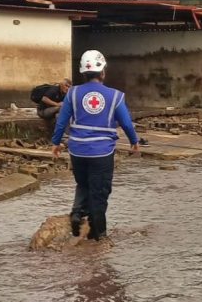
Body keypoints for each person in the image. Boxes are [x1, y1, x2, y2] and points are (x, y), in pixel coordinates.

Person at [51, 50, 140, 241]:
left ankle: (77, 215)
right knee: (99, 192)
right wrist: (134, 141)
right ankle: (98, 238)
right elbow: (126, 123)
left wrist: (56, 143)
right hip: (102, 152)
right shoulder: (115, 96)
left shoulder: (72, 93)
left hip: (77, 149)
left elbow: (61, 121)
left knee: (83, 184)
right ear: (103, 72)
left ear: (83, 73)